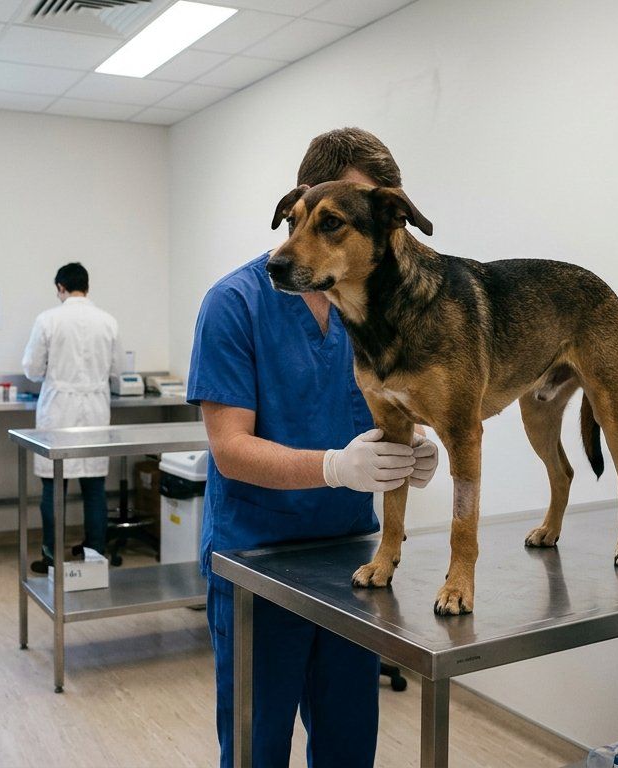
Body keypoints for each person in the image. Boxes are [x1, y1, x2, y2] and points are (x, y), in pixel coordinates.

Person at [188, 128, 441, 767]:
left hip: (349, 566)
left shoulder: (376, 308)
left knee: (348, 750)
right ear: (304, 206)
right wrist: (335, 467)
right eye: (347, 217)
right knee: (257, 750)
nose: (381, 232)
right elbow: (231, 450)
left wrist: (413, 447)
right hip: (255, 563)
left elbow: (395, 410)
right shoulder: (234, 303)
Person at [21, 262, 120, 573]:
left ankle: (52, 556)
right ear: (87, 288)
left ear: (60, 289)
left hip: (58, 411)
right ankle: (95, 555)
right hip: (95, 410)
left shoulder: (48, 320)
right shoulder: (108, 321)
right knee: (94, 487)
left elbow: (32, 369)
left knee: (53, 486)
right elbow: (118, 372)